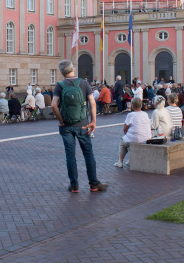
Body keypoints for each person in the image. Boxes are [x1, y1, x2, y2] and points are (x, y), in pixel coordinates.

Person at [51, 59, 108, 193]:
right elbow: (93, 104)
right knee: (88, 154)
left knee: (70, 156)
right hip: (83, 124)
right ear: (73, 69)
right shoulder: (84, 83)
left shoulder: (59, 85)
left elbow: (53, 105)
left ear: (62, 72)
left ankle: (74, 185)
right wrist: (93, 122)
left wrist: (61, 120)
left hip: (66, 127)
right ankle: (94, 184)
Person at [116, 96, 152, 169]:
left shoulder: (131, 115)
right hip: (146, 138)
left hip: (135, 139)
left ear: (133, 105)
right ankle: (130, 159)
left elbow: (125, 128)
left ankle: (120, 161)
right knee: (131, 138)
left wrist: (126, 133)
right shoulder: (145, 114)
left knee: (123, 142)